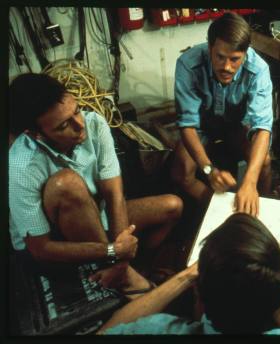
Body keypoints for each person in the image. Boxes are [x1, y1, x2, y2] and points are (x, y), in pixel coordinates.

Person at [9, 73, 183, 296]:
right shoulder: (20, 166)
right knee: (67, 183)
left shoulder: (95, 124)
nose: (80, 125)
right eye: (64, 126)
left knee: (172, 206)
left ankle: (129, 271)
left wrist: (120, 259)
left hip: (94, 219)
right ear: (35, 134)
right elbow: (40, 249)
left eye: (77, 110)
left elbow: (114, 195)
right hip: (53, 244)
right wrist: (112, 251)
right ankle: (127, 280)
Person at [99, 213, 280, 334]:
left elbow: (105, 333)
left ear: (198, 291)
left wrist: (185, 275)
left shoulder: (160, 329)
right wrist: (263, 282)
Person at [171, 12, 273, 217]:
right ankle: (219, 213)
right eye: (220, 57)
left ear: (245, 53)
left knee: (264, 162)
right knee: (182, 171)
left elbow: (262, 128)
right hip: (201, 125)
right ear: (210, 48)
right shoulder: (187, 64)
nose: (226, 67)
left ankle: (261, 212)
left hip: (237, 126)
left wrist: (250, 183)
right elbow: (187, 125)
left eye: (235, 59)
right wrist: (209, 170)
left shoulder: (259, 69)